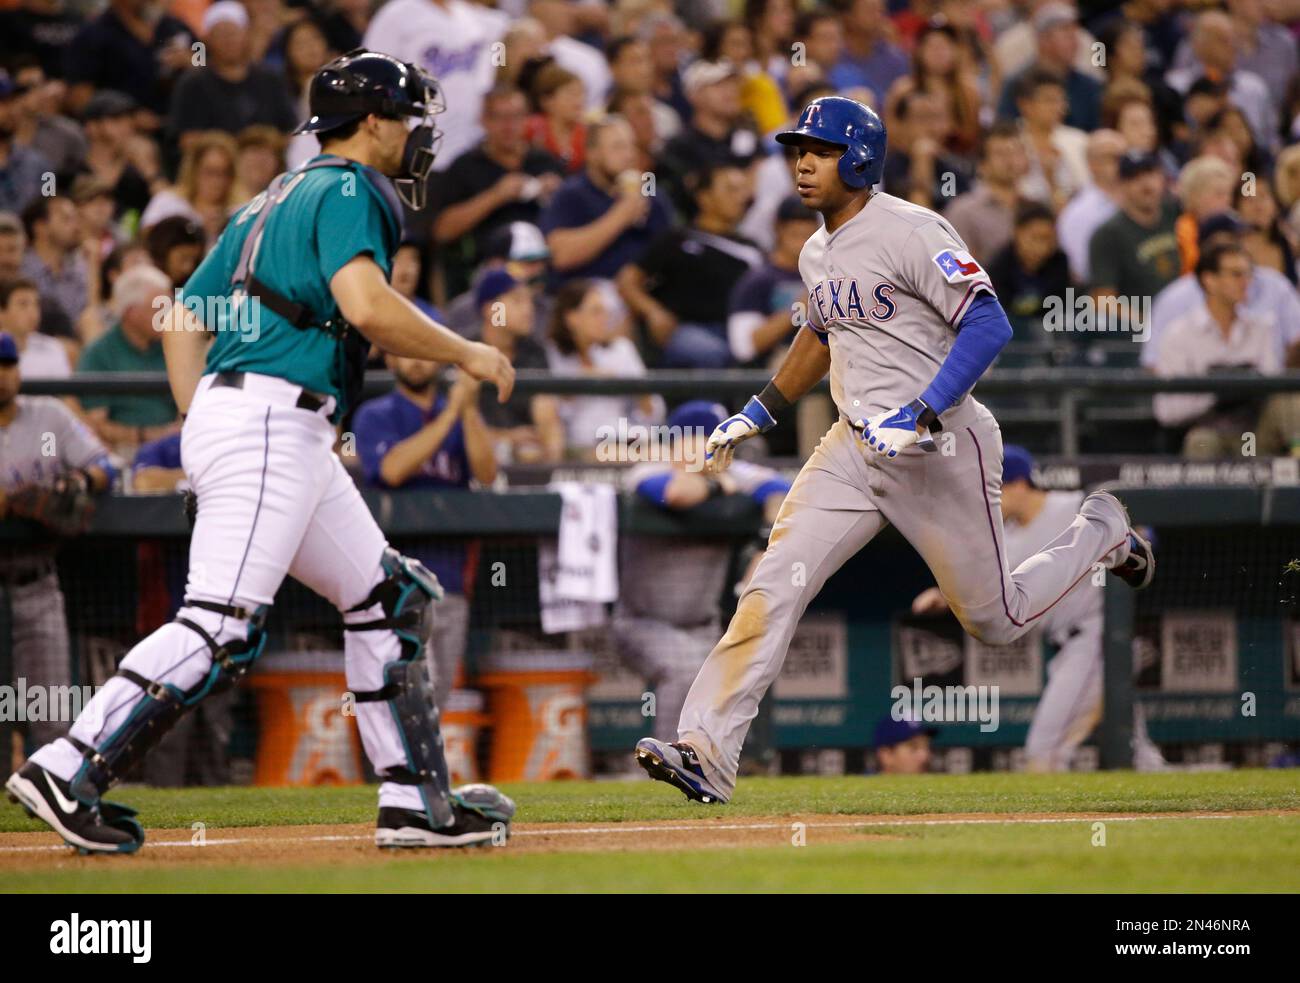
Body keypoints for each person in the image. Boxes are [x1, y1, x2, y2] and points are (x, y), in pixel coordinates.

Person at [5, 50, 518, 853]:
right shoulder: (351, 186)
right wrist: (468, 352)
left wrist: (202, 420)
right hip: (275, 420)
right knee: (220, 626)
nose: (417, 133)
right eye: (409, 116)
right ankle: (67, 765)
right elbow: (366, 306)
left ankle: (416, 802)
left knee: (390, 598)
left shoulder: (268, 196)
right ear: (373, 121)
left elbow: (180, 316)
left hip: (270, 422)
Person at [633, 96, 1154, 805]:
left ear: (859, 157)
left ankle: (1101, 530)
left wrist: (920, 411)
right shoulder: (816, 249)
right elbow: (820, 334)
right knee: (772, 582)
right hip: (852, 445)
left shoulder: (911, 227)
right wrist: (757, 410)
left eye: (819, 149)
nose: (803, 162)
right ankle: (707, 747)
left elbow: (989, 322)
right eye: (798, 149)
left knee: (995, 620)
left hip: (939, 445)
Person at [912, 446, 1165, 771]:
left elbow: (1140, 533)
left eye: (995, 490)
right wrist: (942, 595)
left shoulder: (1072, 505)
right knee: (1138, 757)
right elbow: (986, 587)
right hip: (1070, 649)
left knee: (1044, 752)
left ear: (1019, 484)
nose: (989, 502)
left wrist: (1137, 537)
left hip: (1096, 641)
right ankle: (1192, 811)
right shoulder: (1008, 539)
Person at [616, 400, 791, 744]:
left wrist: (761, 546)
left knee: (731, 677)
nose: (718, 449)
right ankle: (665, 765)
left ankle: (710, 768)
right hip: (643, 623)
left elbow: (783, 491)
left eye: (722, 441)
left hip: (702, 625)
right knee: (686, 669)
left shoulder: (732, 471)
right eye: (708, 440)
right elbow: (677, 493)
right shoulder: (648, 469)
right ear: (680, 441)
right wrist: (718, 486)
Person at [353, 353, 497, 712]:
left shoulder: (462, 414)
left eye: (421, 352)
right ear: (388, 360)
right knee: (409, 698)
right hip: (396, 583)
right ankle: (395, 768)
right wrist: (450, 415)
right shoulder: (376, 414)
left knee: (437, 703)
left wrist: (466, 409)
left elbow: (487, 472)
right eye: (403, 351)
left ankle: (416, 769)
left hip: (452, 578)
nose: (415, 361)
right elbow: (392, 469)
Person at [0, 332, 115, 752]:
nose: (2, 374)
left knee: (51, 716)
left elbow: (105, 466)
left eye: (8, 364)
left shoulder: (48, 416)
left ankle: (50, 804)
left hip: (37, 581)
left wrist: (80, 480)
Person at [617, 161, 764, 368]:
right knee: (712, 353)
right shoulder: (677, 239)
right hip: (686, 329)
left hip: (739, 329)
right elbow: (628, 281)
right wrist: (653, 311)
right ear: (704, 197)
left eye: (742, 190)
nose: (741, 198)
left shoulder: (753, 249)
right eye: (731, 190)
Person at [431, 84, 565, 298]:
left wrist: (558, 196)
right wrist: (496, 196)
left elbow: (571, 220)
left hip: (545, 270)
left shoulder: (545, 161)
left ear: (527, 119)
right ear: (483, 121)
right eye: (499, 118)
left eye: (516, 117)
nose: (509, 126)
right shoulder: (465, 166)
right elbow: (442, 231)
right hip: (488, 274)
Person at [1152, 241, 1281, 458]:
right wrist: (1218, 393)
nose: (1245, 282)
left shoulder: (1261, 329)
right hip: (1207, 429)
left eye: (1248, 275)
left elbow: (1274, 386)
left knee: (1291, 401)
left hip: (1252, 434)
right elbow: (1167, 411)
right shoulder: (1180, 334)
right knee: (1202, 443)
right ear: (1209, 280)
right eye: (1235, 274)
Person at [540, 115, 672, 287]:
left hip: (640, 294)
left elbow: (670, 253)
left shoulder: (650, 193)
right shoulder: (571, 194)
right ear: (592, 153)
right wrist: (622, 214)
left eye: (631, 146)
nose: (629, 155)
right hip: (585, 297)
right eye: (618, 147)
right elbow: (560, 257)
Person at [544, 277, 662, 457]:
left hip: (623, 435)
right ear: (572, 318)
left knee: (662, 451)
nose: (604, 319)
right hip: (578, 445)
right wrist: (582, 380)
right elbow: (551, 412)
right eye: (595, 312)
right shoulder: (552, 354)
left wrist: (639, 391)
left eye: (605, 312)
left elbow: (653, 412)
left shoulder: (621, 349)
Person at [166, 2, 300, 155]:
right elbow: (185, 139)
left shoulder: (271, 78)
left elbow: (290, 132)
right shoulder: (192, 82)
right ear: (208, 39)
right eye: (221, 34)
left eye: (233, 32)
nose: (228, 40)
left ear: (246, 34)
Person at [76, 264, 180, 453]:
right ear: (132, 313)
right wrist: (147, 435)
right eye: (160, 307)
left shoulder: (173, 347)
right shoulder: (99, 354)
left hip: (176, 445)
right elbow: (96, 424)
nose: (168, 314)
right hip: (123, 451)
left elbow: (189, 405)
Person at [473, 268, 563, 464]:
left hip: (526, 459)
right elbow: (455, 424)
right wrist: (506, 438)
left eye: (529, 301)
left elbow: (546, 414)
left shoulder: (534, 351)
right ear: (492, 309)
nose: (528, 309)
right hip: (476, 460)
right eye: (517, 300)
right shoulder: (465, 351)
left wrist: (550, 459)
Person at [1088, 150, 1180, 304]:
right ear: (1121, 185)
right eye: (1134, 177)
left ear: (1162, 177)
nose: (1145, 184)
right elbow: (1104, 300)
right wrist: (1148, 324)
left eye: (1150, 173)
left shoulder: (1177, 212)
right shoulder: (1108, 235)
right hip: (1139, 322)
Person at [996, 3, 1102, 133]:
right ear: (1043, 40)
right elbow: (1005, 130)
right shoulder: (1018, 82)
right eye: (1065, 32)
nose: (1075, 40)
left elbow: (1096, 130)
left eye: (1075, 33)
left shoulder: (1090, 85)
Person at [942, 122, 1030, 267]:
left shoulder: (1036, 205)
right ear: (982, 165)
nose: (1010, 160)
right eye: (1000, 153)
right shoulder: (963, 211)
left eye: (1016, 152)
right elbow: (955, 267)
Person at [987, 201, 1072, 342]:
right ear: (1017, 233)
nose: (1041, 247)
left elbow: (1062, 306)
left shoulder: (1059, 262)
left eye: (1047, 239)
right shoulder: (999, 266)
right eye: (1035, 238)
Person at [1056, 128, 1123, 283]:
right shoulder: (1077, 213)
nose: (1119, 163)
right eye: (1111, 157)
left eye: (1122, 156)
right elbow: (1081, 270)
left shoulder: (1136, 201)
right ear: (1092, 164)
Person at [0, 277, 71, 379]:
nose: (32, 312)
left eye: (36, 304)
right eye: (23, 304)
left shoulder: (53, 348)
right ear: (1, 312)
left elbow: (67, 393)